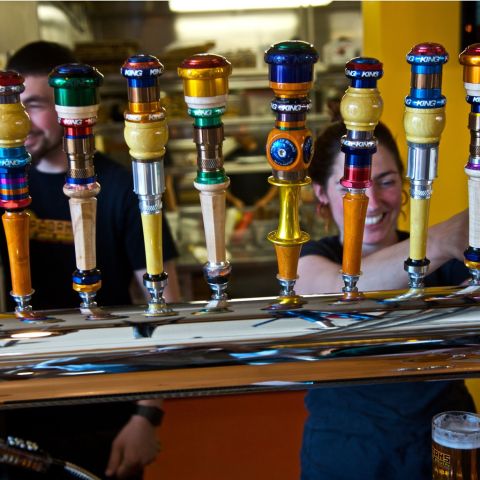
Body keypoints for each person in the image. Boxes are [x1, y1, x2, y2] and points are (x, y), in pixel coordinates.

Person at [0, 41, 180, 479]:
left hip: (106, 408)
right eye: (12, 105)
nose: (21, 120)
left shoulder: (123, 188)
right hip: (18, 407)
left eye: (36, 105)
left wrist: (146, 416)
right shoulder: (4, 186)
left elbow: (166, 305)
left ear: (69, 108)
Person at [296, 121, 475, 480]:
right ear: (321, 193)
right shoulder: (313, 259)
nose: (373, 201)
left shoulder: (448, 263)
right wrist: (437, 240)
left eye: (387, 181)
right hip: (347, 455)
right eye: (352, 184)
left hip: (441, 450)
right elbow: (336, 291)